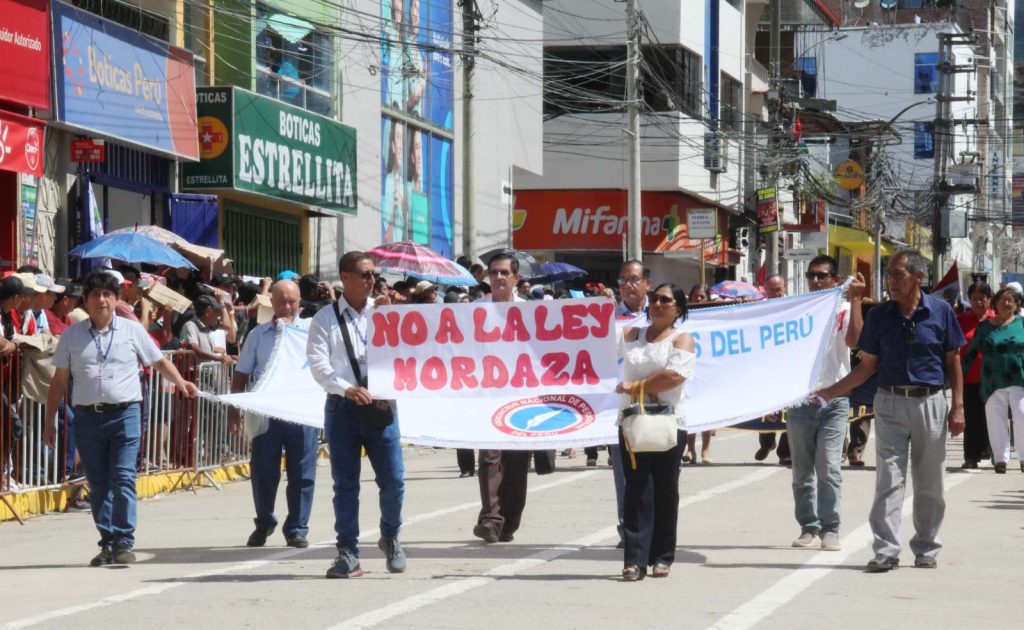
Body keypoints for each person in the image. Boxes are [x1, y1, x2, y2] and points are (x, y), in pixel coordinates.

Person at [815, 249, 965, 572]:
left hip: (931, 403)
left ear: (918, 277)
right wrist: (831, 391)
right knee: (889, 477)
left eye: (898, 274)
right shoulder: (880, 316)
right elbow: (866, 367)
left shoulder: (940, 312)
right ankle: (885, 550)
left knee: (930, 481)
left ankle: (926, 547)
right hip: (890, 402)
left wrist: (958, 407)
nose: (891, 281)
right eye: (889, 274)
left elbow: (953, 360)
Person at [42, 271, 198, 566]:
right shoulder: (71, 336)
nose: (101, 300)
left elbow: (159, 360)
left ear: (116, 300)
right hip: (88, 417)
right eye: (95, 295)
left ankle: (124, 540)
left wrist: (180, 382)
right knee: (99, 482)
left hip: (125, 413)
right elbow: (59, 382)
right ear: (85, 301)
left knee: (124, 477)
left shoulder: (132, 330)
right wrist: (49, 422)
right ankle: (108, 541)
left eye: (107, 295)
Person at [307, 252, 404, 578]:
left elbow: (408, 356)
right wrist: (344, 387)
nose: (371, 280)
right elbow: (318, 364)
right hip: (343, 408)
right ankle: (347, 552)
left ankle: (390, 535)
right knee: (345, 484)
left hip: (381, 406)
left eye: (373, 274)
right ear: (345, 277)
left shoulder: (384, 314)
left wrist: (397, 324)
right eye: (364, 274)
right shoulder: (325, 319)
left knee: (393, 479)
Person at [616, 282, 696, 580]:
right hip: (632, 422)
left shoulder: (682, 339)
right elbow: (593, 341)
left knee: (665, 490)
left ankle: (662, 555)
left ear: (678, 308)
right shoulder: (630, 334)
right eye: (655, 299)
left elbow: (674, 376)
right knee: (636, 489)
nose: (658, 304)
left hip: (669, 423)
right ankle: (634, 560)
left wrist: (635, 387)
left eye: (666, 300)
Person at [229, 280, 318, 547]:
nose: (287, 307)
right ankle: (265, 521)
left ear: (300, 302)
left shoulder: (312, 331)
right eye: (281, 301)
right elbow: (241, 374)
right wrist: (234, 410)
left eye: (292, 301)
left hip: (300, 413)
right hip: (267, 414)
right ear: (272, 303)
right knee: (263, 472)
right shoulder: (258, 335)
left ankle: (297, 528)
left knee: (302, 472)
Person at [785, 258, 863, 551]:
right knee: (802, 471)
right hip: (801, 402)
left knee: (829, 468)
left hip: (834, 399)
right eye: (811, 275)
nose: (816, 281)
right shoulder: (798, 311)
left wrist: (855, 302)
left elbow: (855, 342)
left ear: (835, 279)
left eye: (822, 276)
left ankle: (831, 528)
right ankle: (808, 526)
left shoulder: (843, 312)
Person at [471, 252, 532, 544]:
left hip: (522, 397)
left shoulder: (532, 313)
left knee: (517, 464)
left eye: (503, 273)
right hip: (487, 396)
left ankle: (509, 520)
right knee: (489, 459)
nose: (497, 278)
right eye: (493, 273)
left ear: (515, 279)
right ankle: (491, 519)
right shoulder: (473, 311)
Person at [961, 287, 1024, 473]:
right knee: (996, 421)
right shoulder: (985, 326)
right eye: (1002, 300)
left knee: (1022, 416)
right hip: (991, 381)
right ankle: (1000, 459)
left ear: (1016, 304)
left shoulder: (1022, 324)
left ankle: (1023, 457)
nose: (1006, 303)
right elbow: (972, 352)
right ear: (994, 304)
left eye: (1010, 300)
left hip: (1019, 379)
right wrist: (960, 375)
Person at [955, 282, 994, 469]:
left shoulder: (997, 320)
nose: (979, 302)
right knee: (970, 418)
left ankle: (993, 451)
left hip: (994, 379)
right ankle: (971, 456)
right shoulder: (961, 320)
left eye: (983, 298)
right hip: (968, 377)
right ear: (969, 300)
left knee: (992, 417)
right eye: (974, 298)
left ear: (989, 300)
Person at [755, 274, 791, 464]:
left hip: (788, 365)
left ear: (784, 287)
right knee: (767, 407)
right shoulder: (760, 308)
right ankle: (767, 442)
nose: (777, 293)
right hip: (767, 366)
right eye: (773, 290)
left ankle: (785, 452)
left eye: (780, 289)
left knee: (790, 407)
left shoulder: (795, 305)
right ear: (765, 290)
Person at [684, 284, 714, 464]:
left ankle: (705, 450)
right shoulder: (684, 316)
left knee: (706, 411)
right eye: (696, 296)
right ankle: (689, 450)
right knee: (690, 410)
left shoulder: (713, 316)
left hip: (708, 370)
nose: (699, 300)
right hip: (690, 367)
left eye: (702, 296)